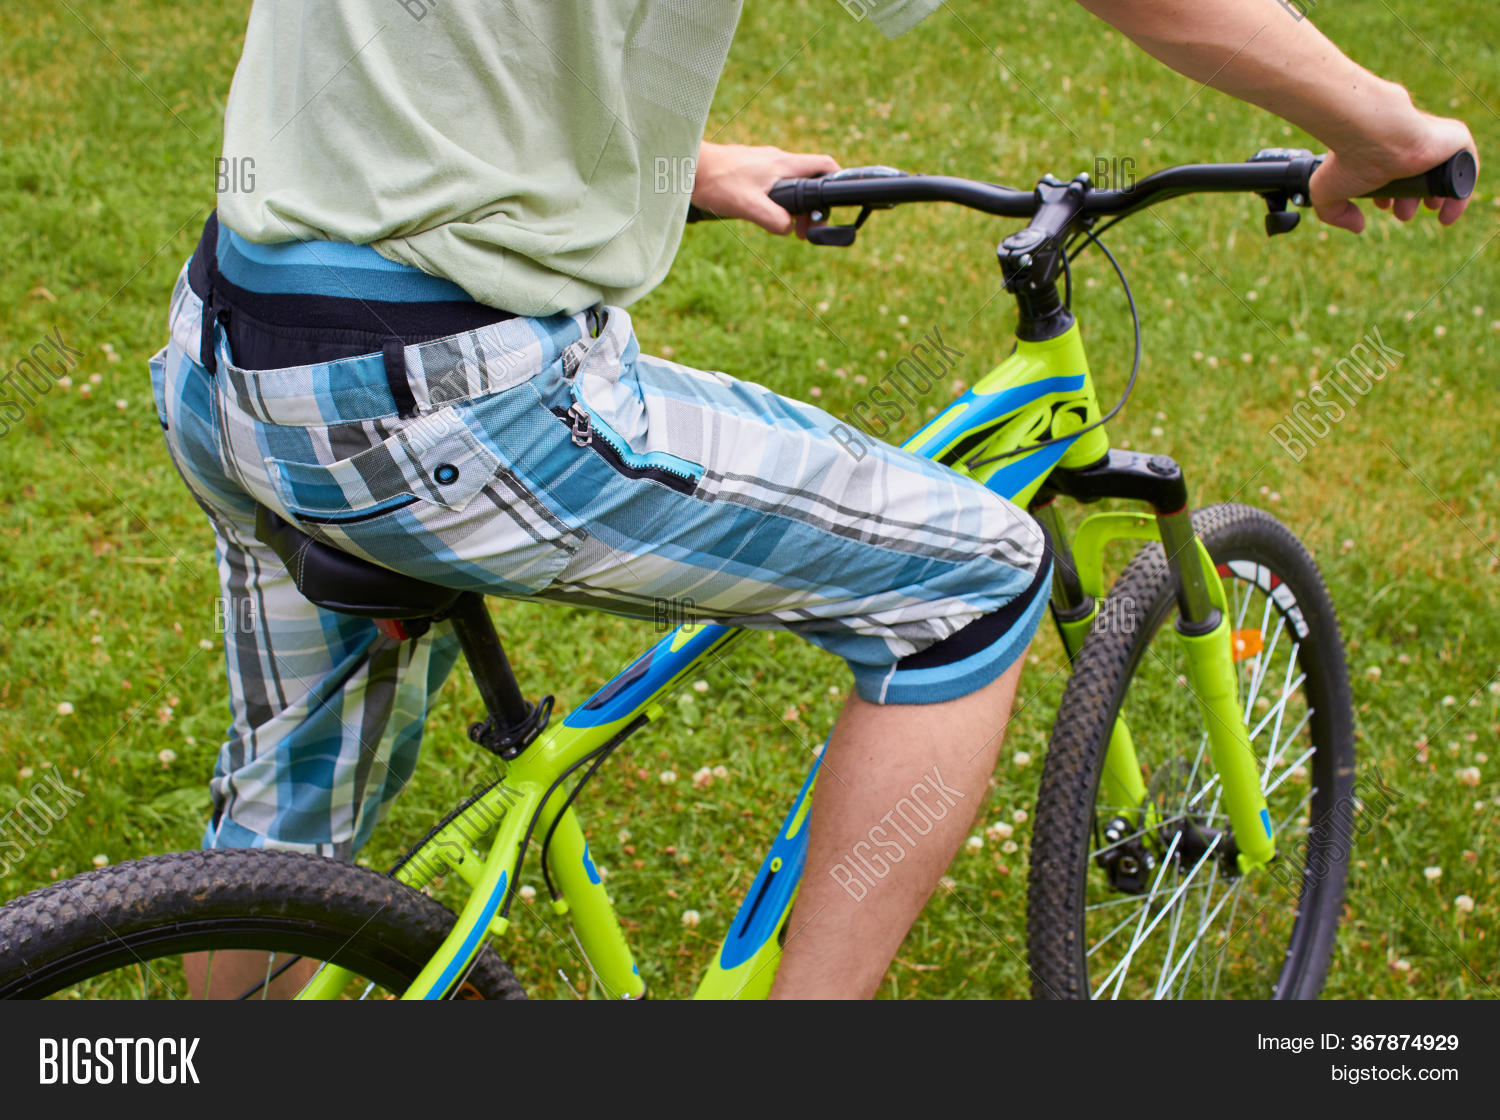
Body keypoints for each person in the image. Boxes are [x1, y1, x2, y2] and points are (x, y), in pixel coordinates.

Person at [153, 0, 1475, 999]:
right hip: (446, 395)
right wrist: (1384, 128)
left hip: (234, 348)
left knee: (298, 802)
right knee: (973, 581)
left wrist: (681, 163)